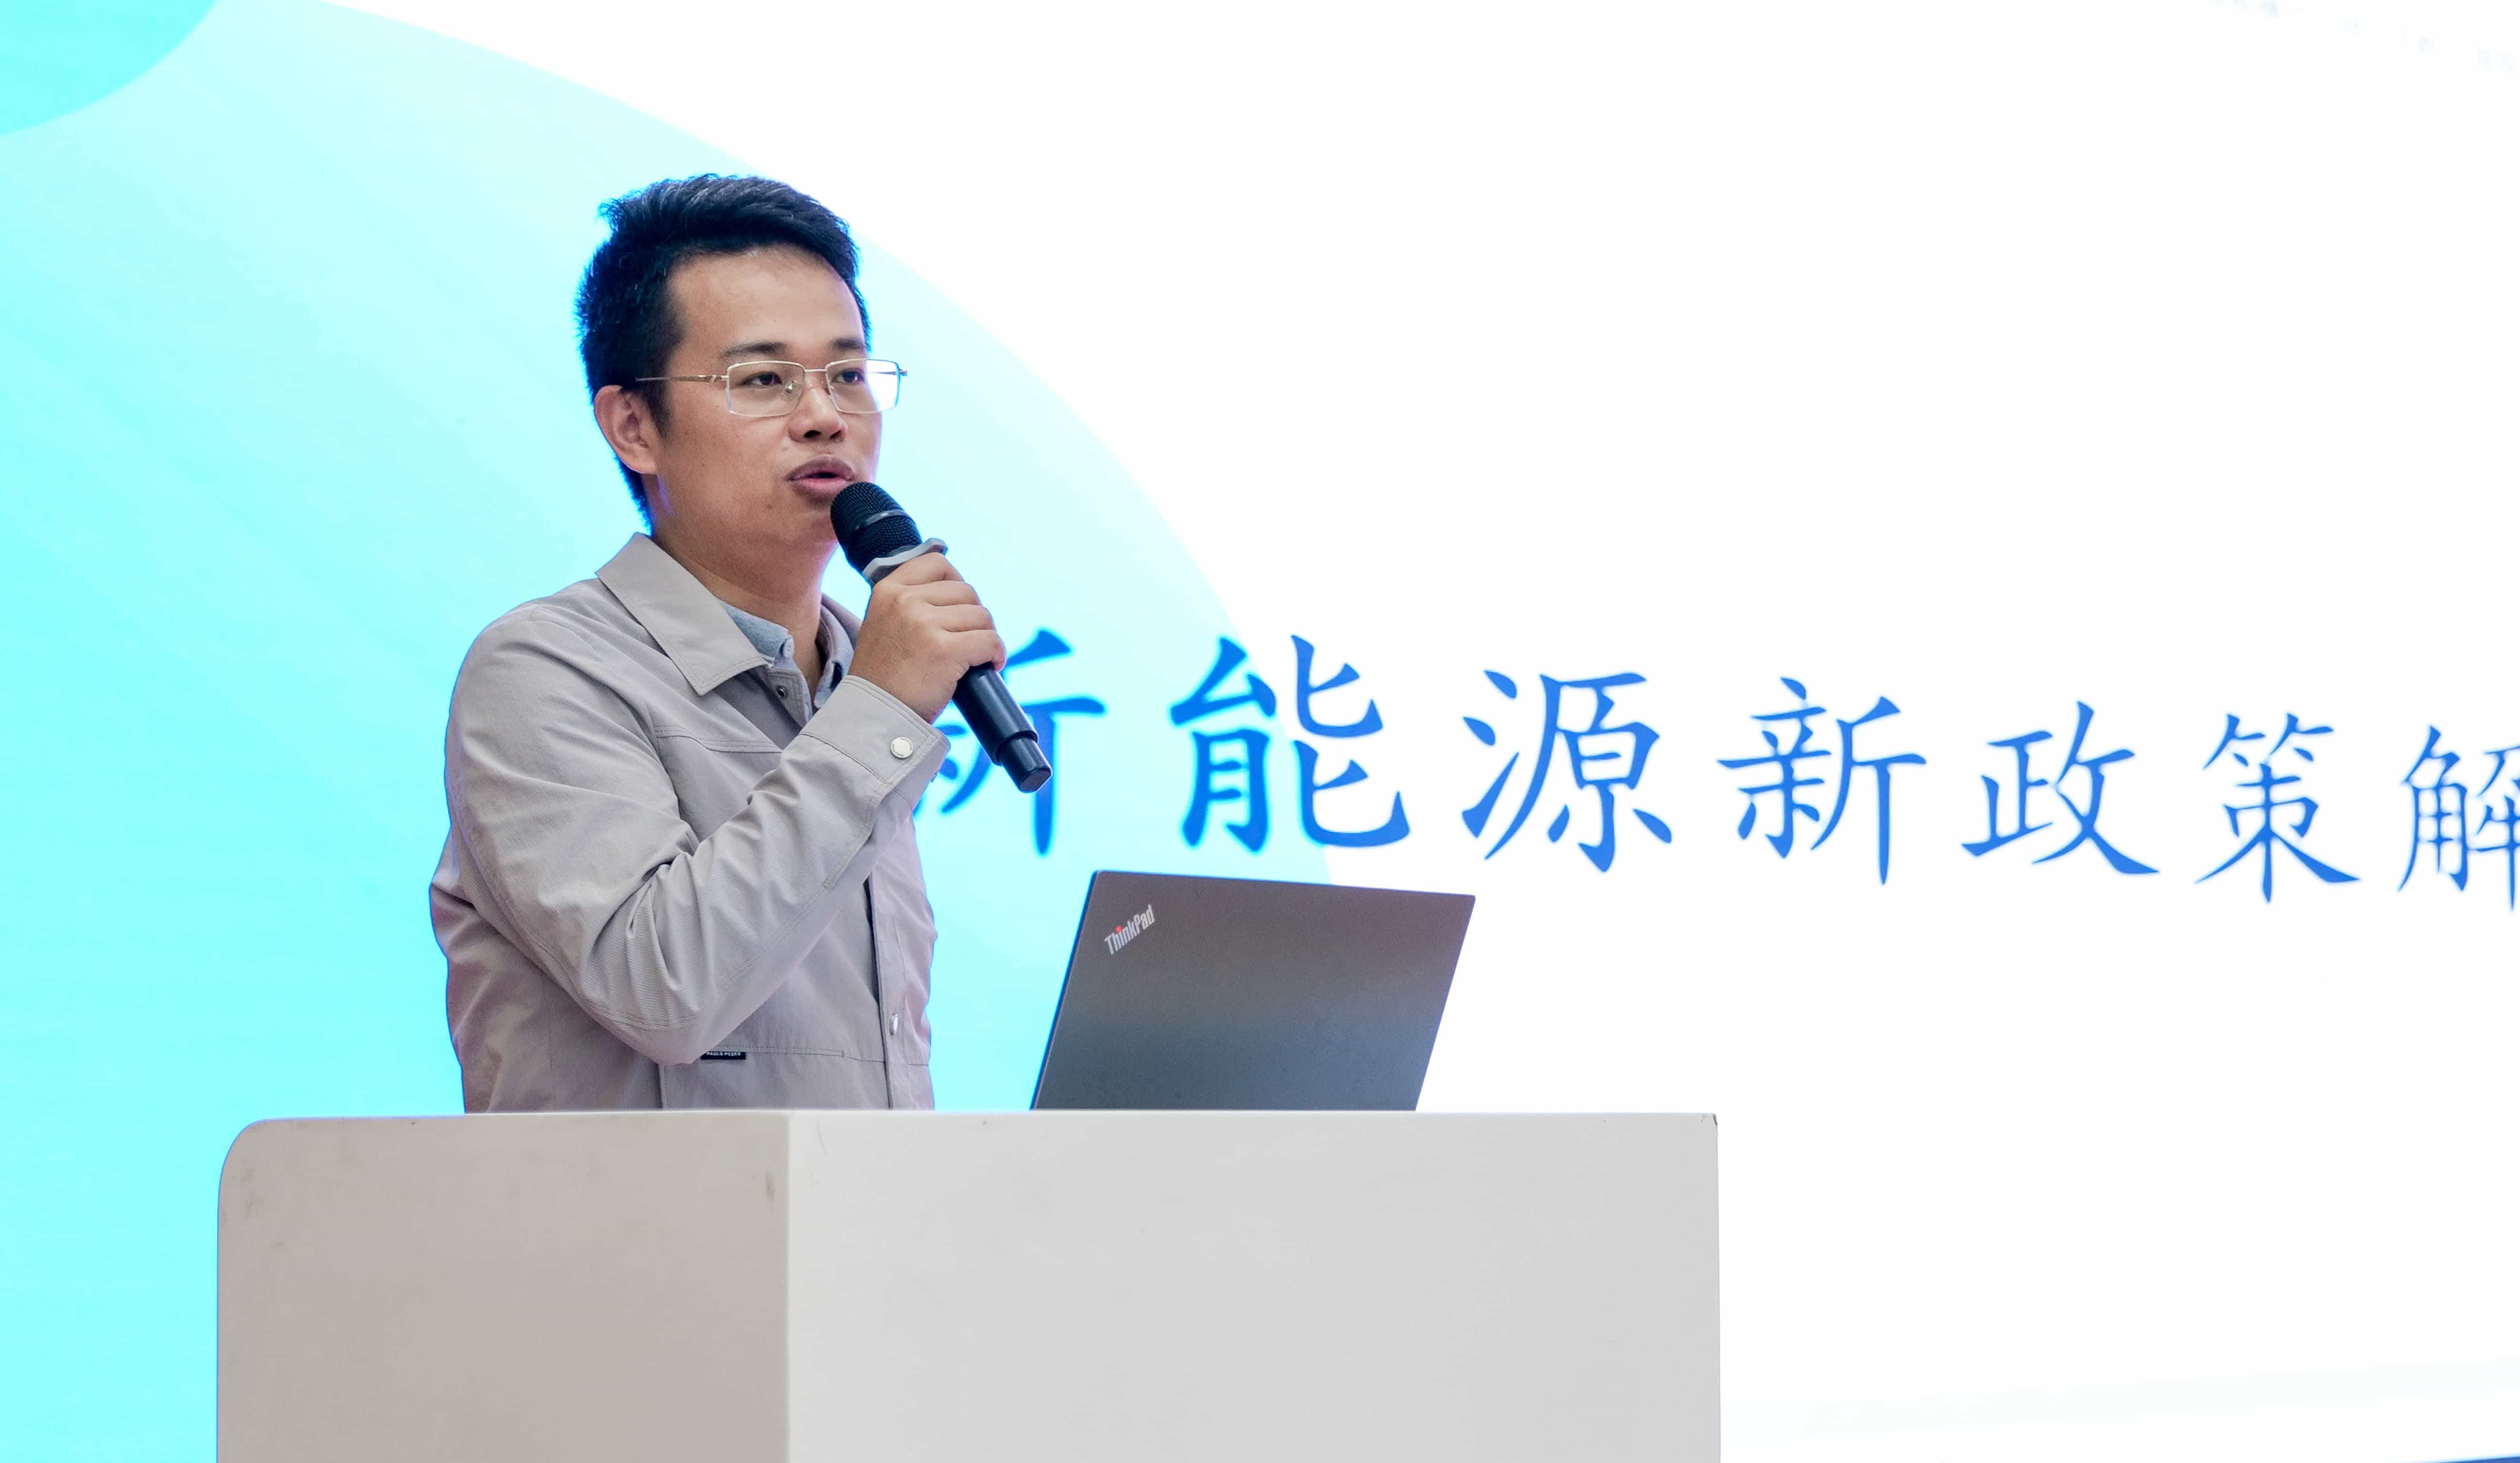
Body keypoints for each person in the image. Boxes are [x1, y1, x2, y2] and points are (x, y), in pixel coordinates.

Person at [429, 175, 1004, 1111]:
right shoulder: (544, 671)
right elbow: (665, 993)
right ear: (633, 426)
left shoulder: (851, 679)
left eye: (849, 375)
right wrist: (882, 713)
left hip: (856, 1211)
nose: (825, 416)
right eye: (763, 380)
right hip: (648, 1216)